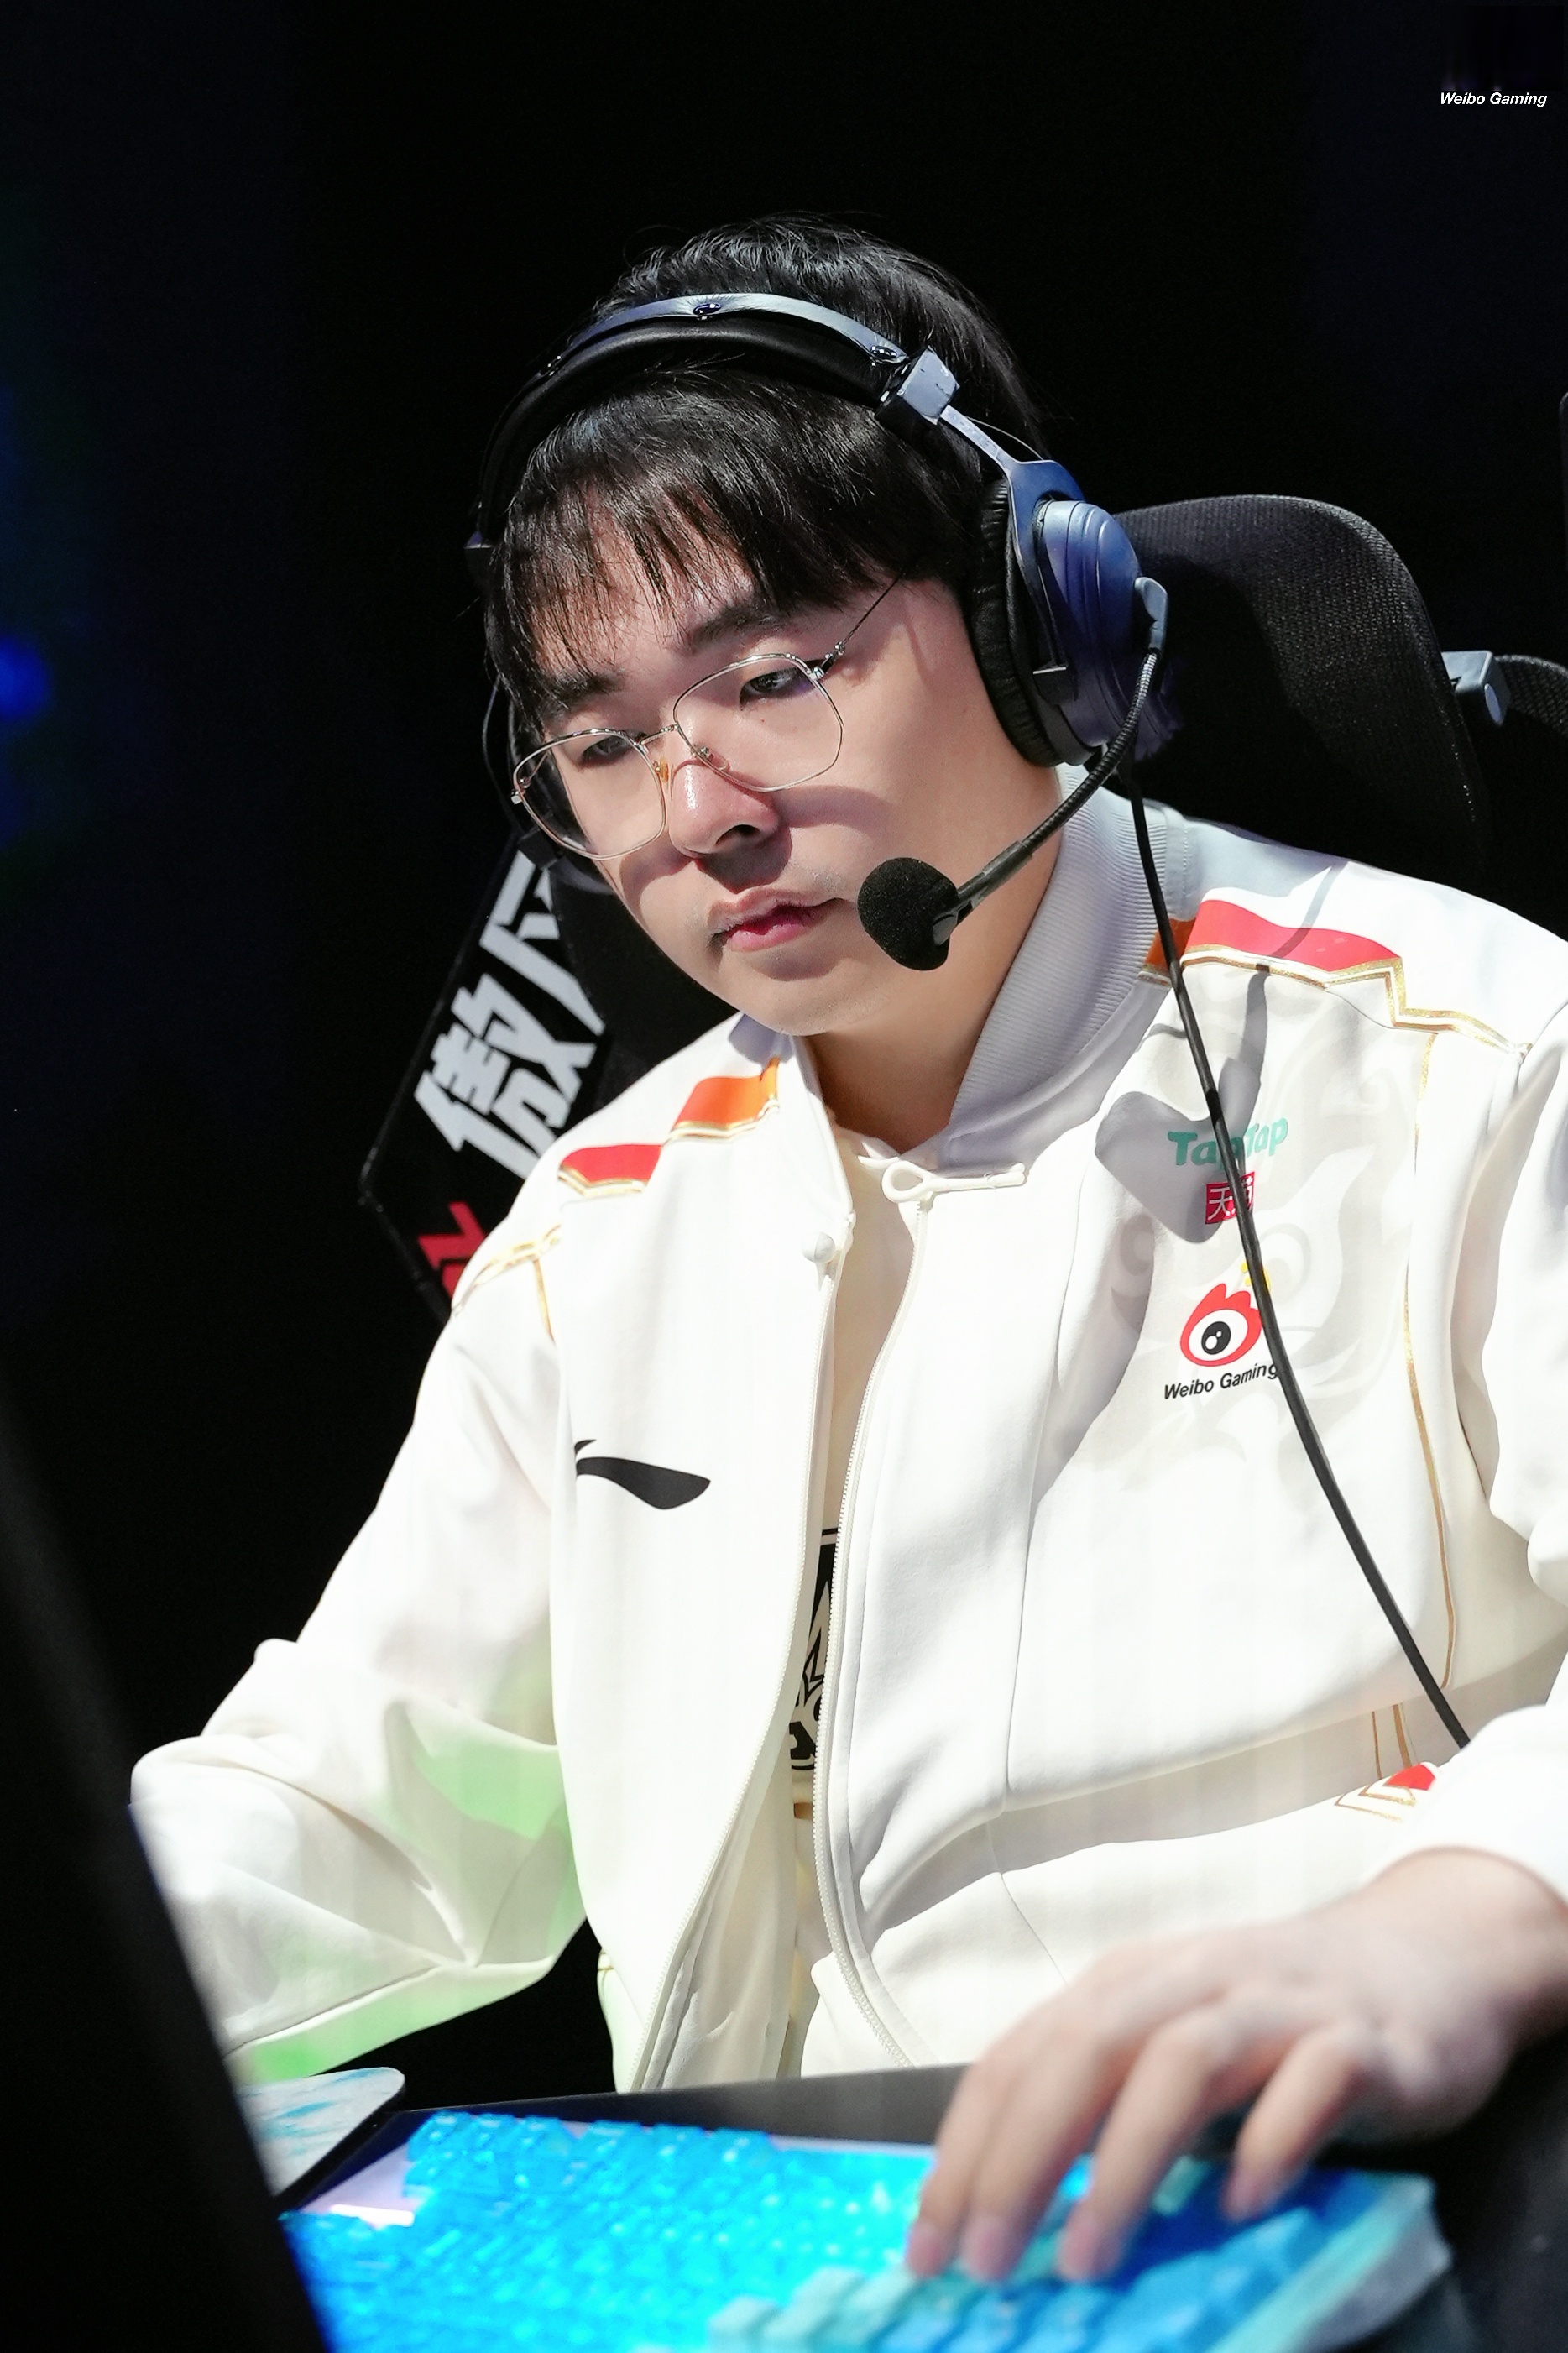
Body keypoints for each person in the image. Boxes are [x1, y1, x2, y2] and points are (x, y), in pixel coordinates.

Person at [133, 217, 1568, 2288]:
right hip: (760, 2265)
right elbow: (366, 1801)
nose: (693, 809)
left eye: (777, 678)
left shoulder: (1469, 1058)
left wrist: (1455, 1920)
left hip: (1296, 2216)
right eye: (603, 740)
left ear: (1042, 625)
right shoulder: (603, 1221)